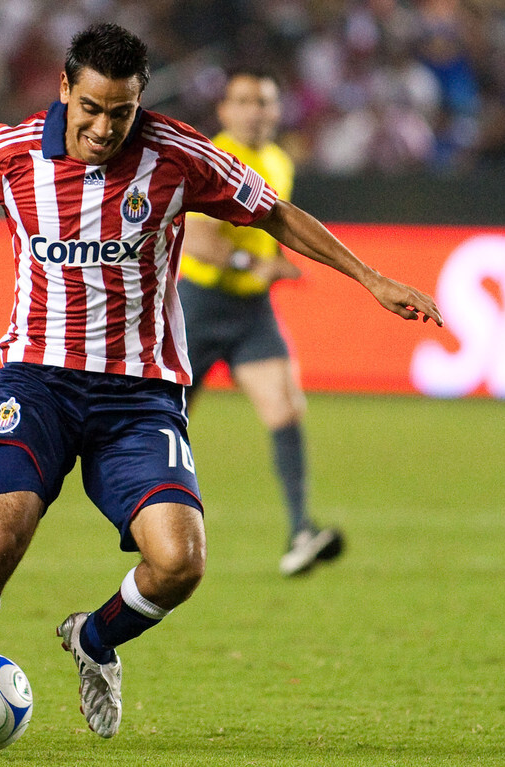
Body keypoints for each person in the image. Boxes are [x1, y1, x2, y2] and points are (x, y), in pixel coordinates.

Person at [0, 22, 442, 752]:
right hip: (37, 381)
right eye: (91, 108)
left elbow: (271, 210)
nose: (104, 127)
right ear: (64, 91)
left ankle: (95, 637)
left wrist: (369, 277)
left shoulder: (178, 156)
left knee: (180, 562)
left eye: (121, 112)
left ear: (139, 102)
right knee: (4, 527)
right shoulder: (14, 151)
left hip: (139, 395)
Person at [178, 69, 344, 576]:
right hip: (197, 304)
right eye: (245, 101)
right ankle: (145, 518)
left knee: (286, 409)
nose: (256, 110)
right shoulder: (210, 158)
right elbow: (194, 238)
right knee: (163, 421)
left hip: (251, 312)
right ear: (225, 111)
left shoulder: (277, 161)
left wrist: (273, 265)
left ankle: (300, 532)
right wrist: (255, 264)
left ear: (276, 112)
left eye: (265, 102)